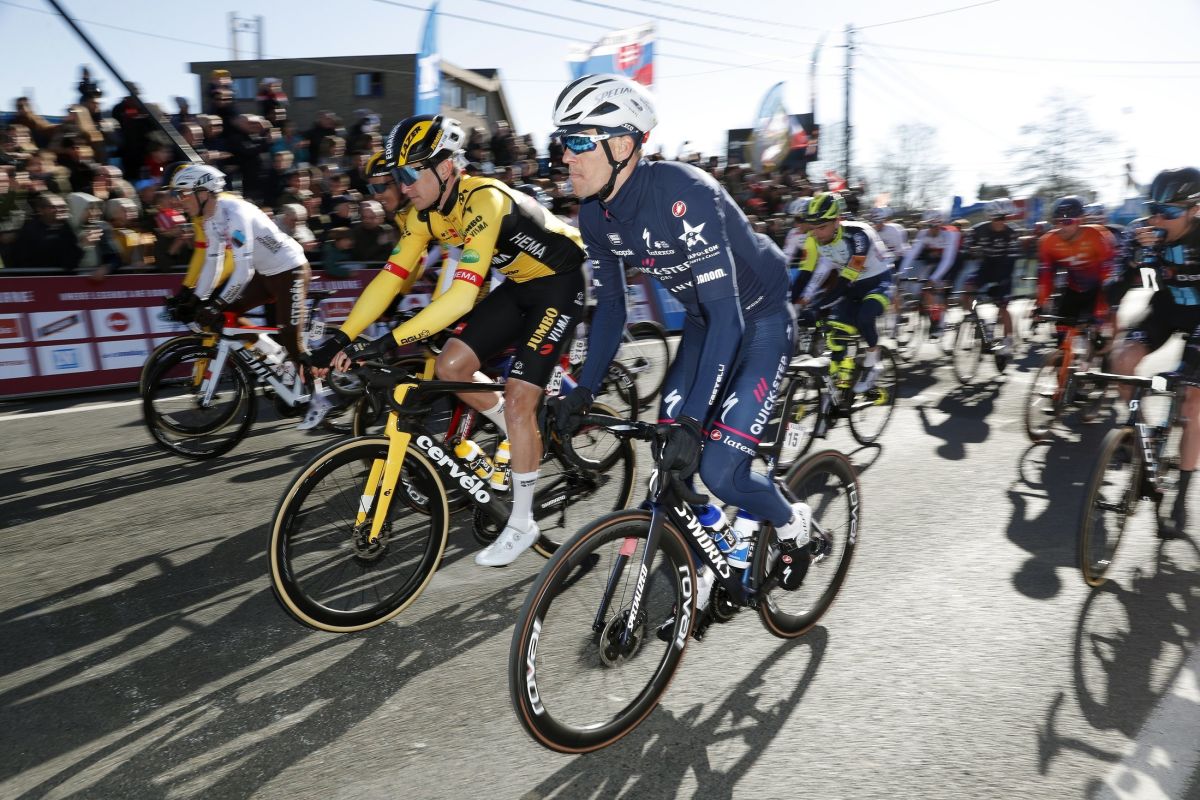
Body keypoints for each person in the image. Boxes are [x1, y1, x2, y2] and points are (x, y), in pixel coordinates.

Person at [547, 74, 815, 623]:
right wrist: (583, 390)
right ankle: (714, 549)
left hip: (757, 320)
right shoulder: (595, 214)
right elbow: (612, 309)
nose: (564, 156)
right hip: (702, 323)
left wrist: (696, 419)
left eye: (576, 142)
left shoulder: (684, 195)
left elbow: (729, 316)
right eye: (561, 142)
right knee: (668, 451)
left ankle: (793, 524)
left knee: (719, 470)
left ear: (623, 145)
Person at [306, 115, 588, 567]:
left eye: (408, 173)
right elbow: (390, 278)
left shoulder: (484, 198)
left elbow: (460, 296)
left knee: (519, 399)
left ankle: (521, 522)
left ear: (444, 167)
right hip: (519, 285)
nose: (402, 186)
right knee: (450, 366)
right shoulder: (425, 214)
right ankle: (518, 432)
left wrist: (388, 342)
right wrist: (341, 336)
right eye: (396, 175)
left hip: (561, 282)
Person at [165, 163, 328, 426]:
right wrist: (195, 299)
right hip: (265, 275)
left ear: (203, 192)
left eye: (182, 194)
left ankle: (319, 401)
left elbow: (242, 271)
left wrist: (215, 303)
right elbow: (213, 262)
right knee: (225, 317)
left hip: (291, 271)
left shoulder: (235, 213)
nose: (179, 201)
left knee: (290, 335)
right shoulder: (209, 218)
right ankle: (278, 358)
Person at [1111, 168, 1200, 538]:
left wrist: (1190, 363)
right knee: (1122, 360)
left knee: (1192, 400)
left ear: (1195, 210)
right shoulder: (1144, 233)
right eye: (1154, 210)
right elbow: (1134, 285)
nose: (1158, 219)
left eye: (1169, 212)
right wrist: (1140, 259)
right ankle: (1141, 440)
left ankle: (1181, 496)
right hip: (1167, 310)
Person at [792, 192, 895, 392]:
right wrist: (802, 301)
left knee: (865, 316)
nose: (817, 233)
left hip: (877, 282)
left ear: (837, 221)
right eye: (813, 227)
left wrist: (817, 307)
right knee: (835, 332)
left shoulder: (858, 235)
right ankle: (835, 391)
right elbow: (816, 271)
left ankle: (873, 363)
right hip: (853, 286)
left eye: (822, 227)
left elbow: (846, 280)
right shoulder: (815, 239)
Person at [964, 198, 1020, 354]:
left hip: (1005, 268)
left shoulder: (1012, 233)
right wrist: (969, 252)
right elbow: (965, 249)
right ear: (990, 217)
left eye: (1003, 218)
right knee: (967, 291)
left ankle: (1008, 340)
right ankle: (978, 323)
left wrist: (1000, 283)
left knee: (1002, 305)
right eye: (997, 218)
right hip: (986, 266)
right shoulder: (978, 230)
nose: (1000, 221)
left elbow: (1011, 261)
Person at [898, 209, 962, 337]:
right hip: (935, 260)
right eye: (929, 226)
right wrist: (902, 273)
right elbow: (911, 255)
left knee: (938, 289)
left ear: (941, 224)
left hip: (954, 260)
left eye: (935, 226)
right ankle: (933, 314)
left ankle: (940, 323)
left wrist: (934, 279)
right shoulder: (923, 234)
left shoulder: (950, 234)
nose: (932, 229)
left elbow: (948, 260)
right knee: (925, 288)